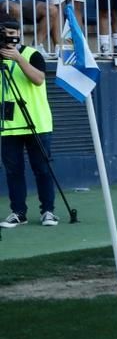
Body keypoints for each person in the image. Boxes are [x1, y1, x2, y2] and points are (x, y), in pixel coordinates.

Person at [0, 17, 56, 228]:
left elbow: (39, 79)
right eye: (5, 34)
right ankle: (18, 212)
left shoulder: (32, 54)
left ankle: (48, 211)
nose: (10, 39)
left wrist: (18, 59)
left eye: (13, 35)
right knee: (13, 171)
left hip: (36, 122)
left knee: (42, 169)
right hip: (8, 125)